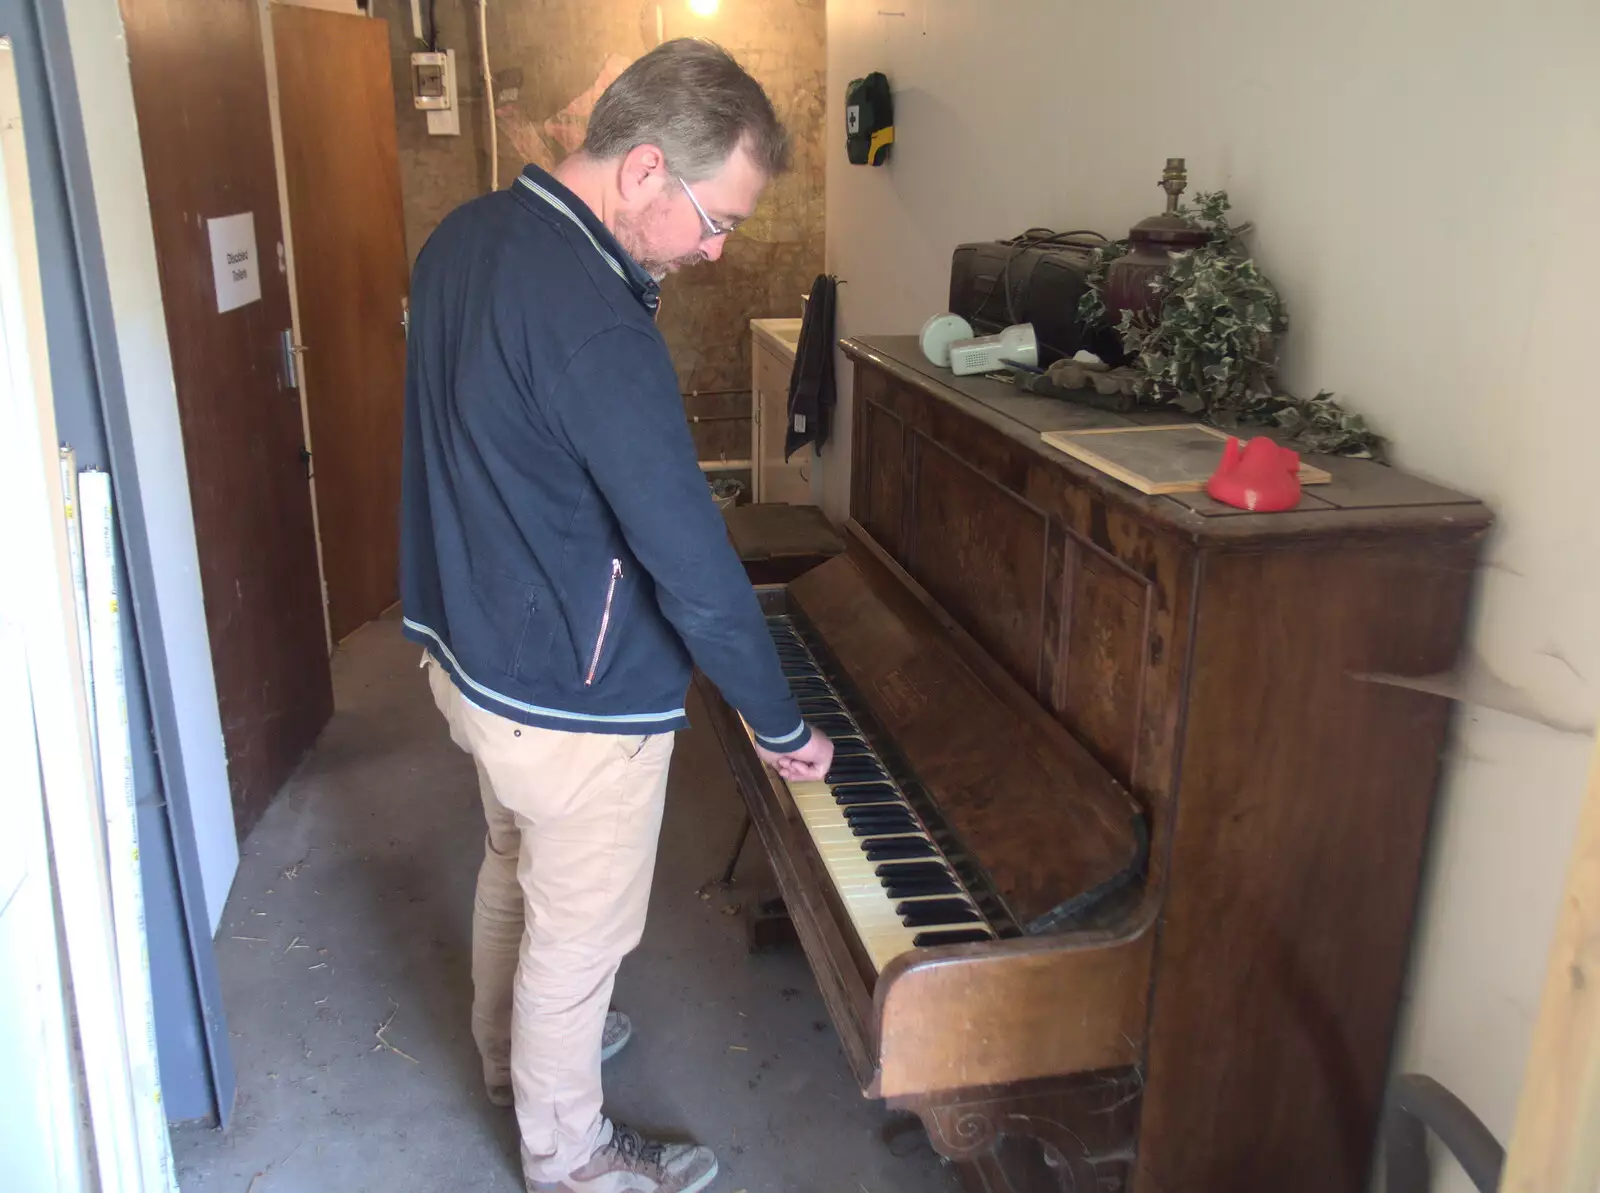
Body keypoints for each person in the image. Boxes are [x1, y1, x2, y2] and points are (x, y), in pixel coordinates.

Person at [399, 37, 834, 1193]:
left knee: (511, 860)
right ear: (644, 170)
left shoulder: (465, 237)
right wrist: (778, 722)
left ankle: (509, 1061)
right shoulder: (597, 322)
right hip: (572, 699)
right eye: (716, 216)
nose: (714, 247)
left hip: (472, 652)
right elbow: (690, 559)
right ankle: (568, 1154)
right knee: (578, 945)